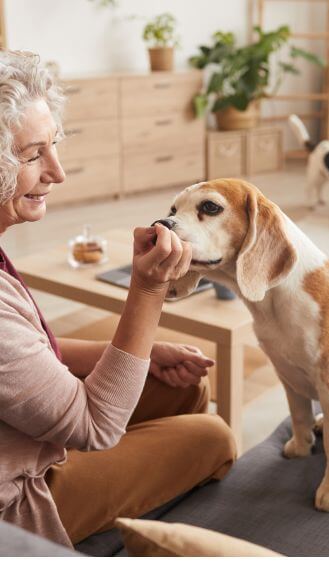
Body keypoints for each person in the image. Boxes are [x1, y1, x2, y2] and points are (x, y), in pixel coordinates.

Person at [0, 50, 236, 548]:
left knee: (183, 389)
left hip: (29, 436)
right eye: (32, 154)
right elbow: (93, 425)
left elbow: (18, 359)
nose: (58, 172)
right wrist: (149, 291)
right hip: (16, 496)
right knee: (215, 436)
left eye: (55, 145)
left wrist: (144, 355)